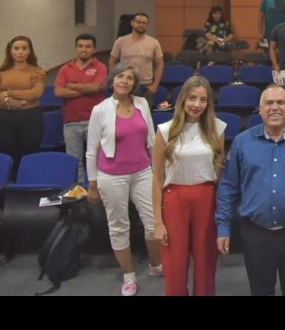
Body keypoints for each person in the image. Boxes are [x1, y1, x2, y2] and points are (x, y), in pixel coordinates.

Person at [216, 85, 285, 296]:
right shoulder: (242, 142)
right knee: (260, 291)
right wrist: (223, 227)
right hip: (256, 234)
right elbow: (228, 187)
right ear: (260, 108)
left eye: (280, 102)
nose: (275, 107)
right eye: (269, 103)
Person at [86, 63, 162, 297]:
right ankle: (129, 276)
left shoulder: (142, 104)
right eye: (121, 76)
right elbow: (91, 149)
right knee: (119, 226)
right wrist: (92, 184)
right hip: (111, 176)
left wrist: (158, 171)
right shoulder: (100, 109)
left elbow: (151, 139)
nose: (124, 81)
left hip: (142, 172)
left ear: (134, 84)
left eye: (130, 78)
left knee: (153, 223)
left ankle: (156, 264)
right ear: (113, 80)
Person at [152, 76, 225, 296]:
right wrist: (158, 223)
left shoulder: (217, 128)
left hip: (206, 198)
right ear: (183, 99)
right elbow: (157, 179)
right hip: (174, 199)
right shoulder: (165, 131)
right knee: (175, 263)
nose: (197, 104)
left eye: (203, 99)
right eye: (192, 98)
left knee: (205, 261)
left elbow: (217, 172)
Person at [54, 33, 108, 182]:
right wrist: (85, 88)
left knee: (97, 158)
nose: (83, 49)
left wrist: (71, 86)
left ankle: (98, 188)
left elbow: (96, 88)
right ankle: (77, 190)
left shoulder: (100, 67)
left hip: (94, 121)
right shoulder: (65, 69)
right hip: (71, 122)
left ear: (94, 49)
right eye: (80, 46)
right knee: (74, 161)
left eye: (88, 46)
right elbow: (58, 91)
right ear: (76, 48)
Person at [0, 35, 45, 177]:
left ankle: (27, 181)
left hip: (30, 118)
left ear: (29, 51)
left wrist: (9, 93)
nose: (20, 52)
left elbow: (36, 93)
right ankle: (9, 184)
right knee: (7, 153)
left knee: (28, 153)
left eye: (24, 48)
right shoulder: (2, 72)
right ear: (10, 50)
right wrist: (18, 102)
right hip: (5, 118)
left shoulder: (36, 71)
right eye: (16, 48)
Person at [109, 12, 164, 103]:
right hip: (124, 83)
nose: (141, 25)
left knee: (143, 111)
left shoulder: (154, 43)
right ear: (132, 23)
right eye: (138, 22)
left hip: (145, 86)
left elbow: (159, 64)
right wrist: (115, 80)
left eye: (144, 23)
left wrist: (155, 85)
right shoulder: (120, 41)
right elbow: (112, 61)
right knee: (122, 110)